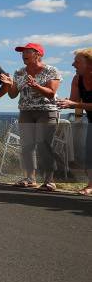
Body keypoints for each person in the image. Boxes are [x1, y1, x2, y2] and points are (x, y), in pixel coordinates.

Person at [3, 43, 62, 191]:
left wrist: (36, 86)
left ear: (38, 54)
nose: (23, 54)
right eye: (22, 52)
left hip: (46, 111)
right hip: (26, 111)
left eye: (27, 51)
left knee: (44, 145)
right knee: (27, 146)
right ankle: (30, 178)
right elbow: (12, 95)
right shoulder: (19, 72)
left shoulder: (51, 70)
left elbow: (51, 93)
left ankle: (49, 180)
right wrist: (10, 84)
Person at [57, 48, 92, 195]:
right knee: (90, 154)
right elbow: (74, 101)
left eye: (77, 62)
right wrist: (65, 102)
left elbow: (76, 104)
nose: (72, 65)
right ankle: (91, 185)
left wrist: (74, 104)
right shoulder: (77, 79)